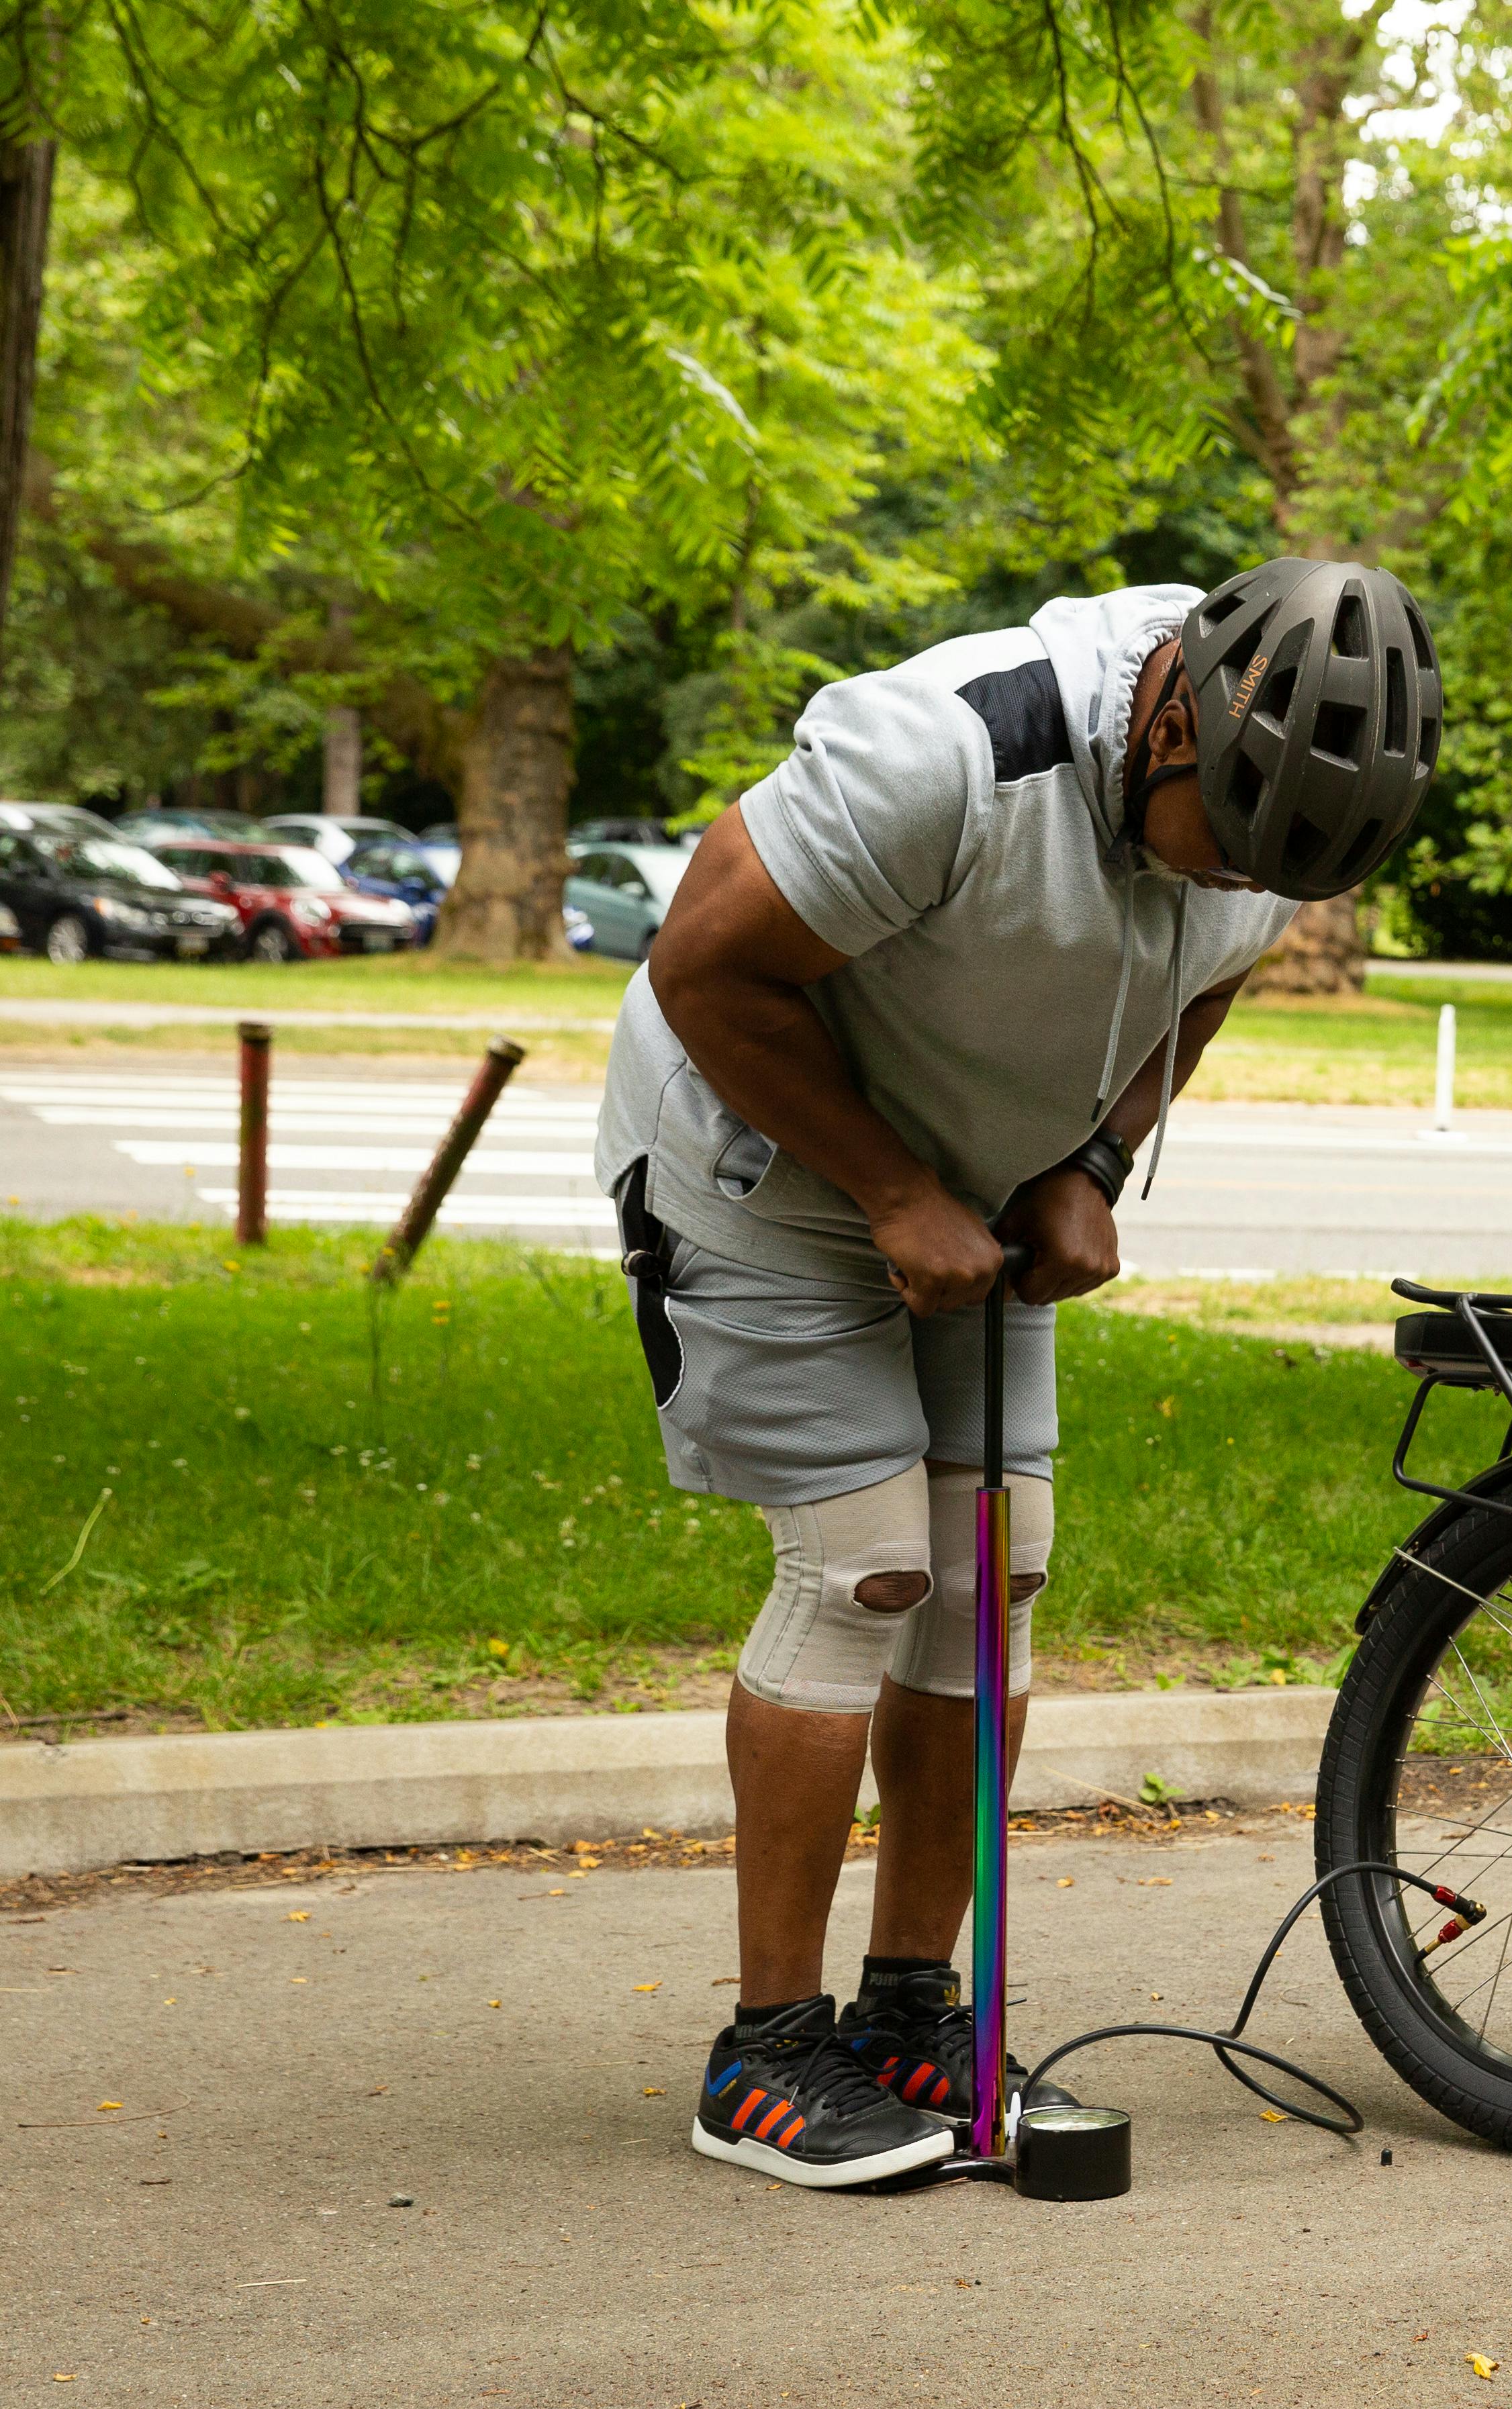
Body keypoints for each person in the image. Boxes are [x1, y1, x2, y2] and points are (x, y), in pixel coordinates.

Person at [593, 559, 1441, 2186]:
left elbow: (1204, 976)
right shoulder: (949, 756)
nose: (1244, 889)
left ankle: (913, 2014)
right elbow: (706, 966)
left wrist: (1098, 1163)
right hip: (763, 1171)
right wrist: (892, 1191)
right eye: (1233, 847)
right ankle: (765, 2055)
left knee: (997, 1575)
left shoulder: (1269, 826)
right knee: (865, 1572)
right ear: (1178, 721)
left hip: (976, 1194)